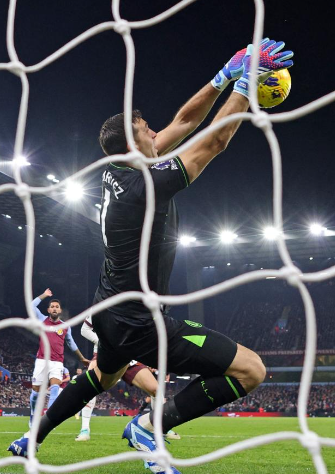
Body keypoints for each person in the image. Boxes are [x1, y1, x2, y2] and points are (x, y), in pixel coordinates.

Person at [8, 38, 294, 474]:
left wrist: (225, 74)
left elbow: (184, 121)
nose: (155, 133)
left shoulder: (117, 170)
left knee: (99, 378)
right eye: (146, 130)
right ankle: (148, 427)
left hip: (109, 311)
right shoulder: (146, 186)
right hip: (141, 323)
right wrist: (246, 87)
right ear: (132, 143)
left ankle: (33, 438)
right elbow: (214, 141)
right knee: (251, 370)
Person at [74, 314, 179, 441]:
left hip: (128, 356)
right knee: (89, 388)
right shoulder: (101, 306)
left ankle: (161, 427)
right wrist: (104, 342)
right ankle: (85, 430)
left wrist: (147, 357)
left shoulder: (134, 308)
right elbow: (84, 330)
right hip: (104, 354)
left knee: (155, 389)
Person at [27, 289, 89, 428]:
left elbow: (71, 343)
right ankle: (32, 415)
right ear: (49, 310)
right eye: (52, 306)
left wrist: (82, 358)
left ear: (60, 310)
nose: (54, 308)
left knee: (55, 388)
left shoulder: (65, 327)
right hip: (42, 360)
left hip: (57, 362)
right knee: (35, 393)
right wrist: (44, 295)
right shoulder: (42, 320)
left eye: (57, 307)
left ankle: (47, 420)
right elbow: (31, 306)